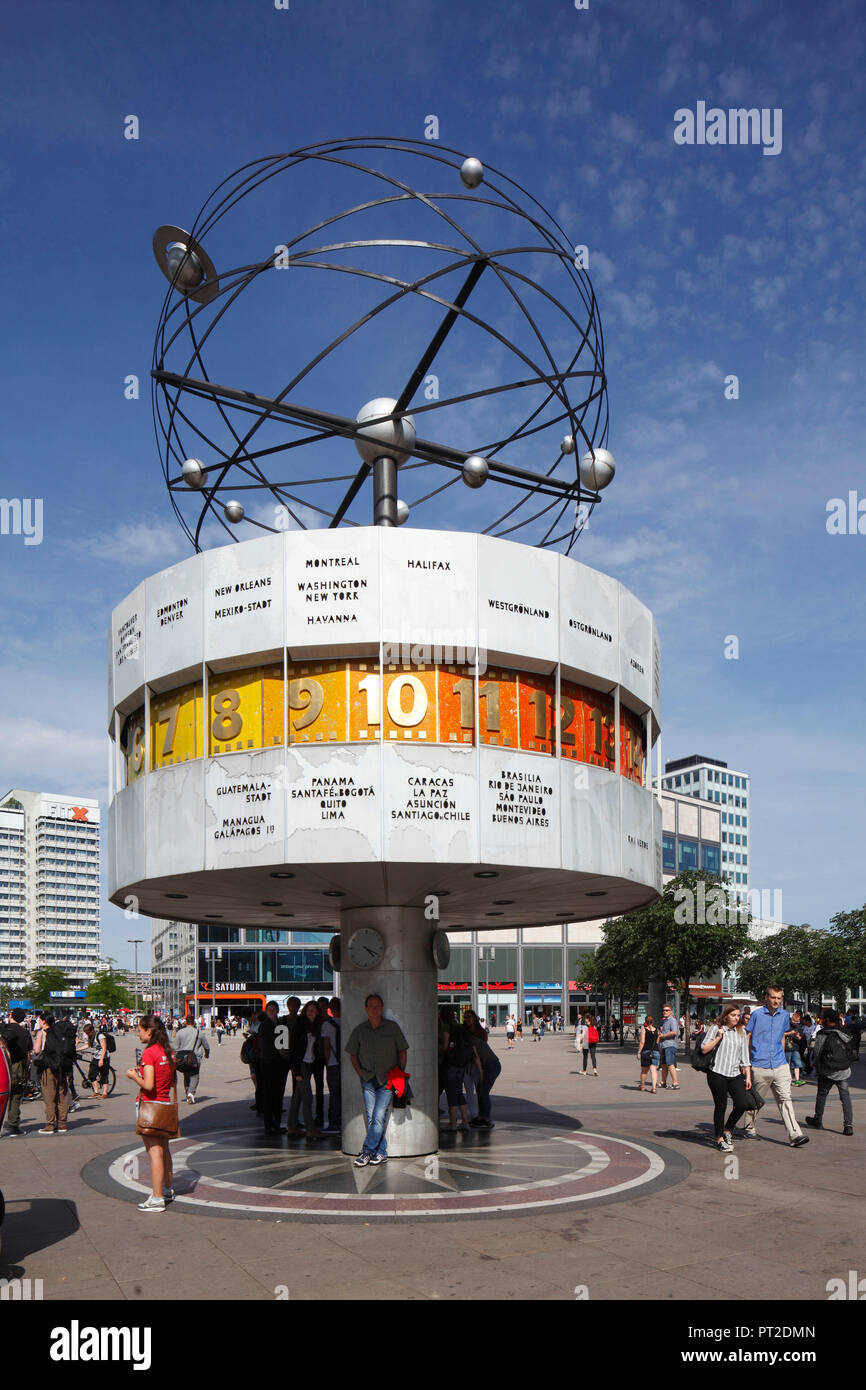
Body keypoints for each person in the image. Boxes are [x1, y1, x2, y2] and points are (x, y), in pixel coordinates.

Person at [346, 994, 409, 1166]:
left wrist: (399, 1073)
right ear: (366, 1009)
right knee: (372, 1116)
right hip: (367, 1079)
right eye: (371, 1006)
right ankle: (381, 1152)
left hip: (388, 1080)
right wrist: (360, 1072)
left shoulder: (392, 1027)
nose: (375, 1009)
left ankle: (367, 1151)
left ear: (382, 1008)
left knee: (379, 1116)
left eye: (378, 1006)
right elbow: (352, 1054)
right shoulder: (360, 1030)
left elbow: (402, 1050)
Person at [743, 987, 808, 1147]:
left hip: (780, 1064)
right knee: (756, 1101)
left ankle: (795, 1134)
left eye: (779, 998)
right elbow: (748, 1037)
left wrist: (784, 1058)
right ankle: (749, 1126)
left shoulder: (785, 1015)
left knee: (786, 1099)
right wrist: (747, 1062)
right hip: (760, 1064)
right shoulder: (757, 1015)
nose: (776, 1001)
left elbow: (782, 1038)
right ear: (766, 997)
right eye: (773, 997)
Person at [126, 1014, 177, 1212]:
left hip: (150, 1107)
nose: (137, 1033)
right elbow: (171, 1081)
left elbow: (148, 1085)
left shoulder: (150, 1053)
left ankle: (157, 1198)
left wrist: (133, 1076)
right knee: (164, 1150)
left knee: (154, 1152)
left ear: (149, 1031)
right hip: (165, 1103)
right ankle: (167, 1188)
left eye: (139, 1030)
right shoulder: (168, 1051)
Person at [700, 1004, 752, 1152]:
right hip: (717, 1073)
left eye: (738, 1015)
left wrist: (748, 1076)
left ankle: (728, 1130)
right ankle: (719, 1139)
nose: (736, 1018)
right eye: (733, 1015)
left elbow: (745, 1056)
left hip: (735, 1074)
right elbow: (704, 1049)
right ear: (726, 1016)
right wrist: (718, 1037)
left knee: (742, 1104)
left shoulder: (741, 1032)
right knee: (721, 1106)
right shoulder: (716, 1028)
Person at [805, 1010, 854, 1136]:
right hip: (843, 1070)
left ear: (827, 1019)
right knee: (845, 1098)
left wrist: (815, 1065)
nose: (821, 1020)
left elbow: (817, 1051)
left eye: (823, 1018)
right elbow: (851, 1051)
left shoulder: (823, 1033)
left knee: (822, 1095)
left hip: (827, 1070)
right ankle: (848, 1126)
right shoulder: (844, 1033)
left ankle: (818, 1120)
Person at [286, 1001, 325, 1139]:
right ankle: (310, 1129)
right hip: (301, 1064)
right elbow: (294, 1049)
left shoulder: (315, 1026)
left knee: (298, 1096)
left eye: (314, 1010)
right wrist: (296, 1071)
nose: (311, 1013)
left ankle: (291, 1126)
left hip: (309, 1063)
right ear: (305, 1011)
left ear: (318, 1012)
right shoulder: (300, 1025)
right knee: (307, 1097)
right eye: (309, 1010)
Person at [438, 1005, 479, 1131]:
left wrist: (436, 1047)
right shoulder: (459, 1026)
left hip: (450, 1064)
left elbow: (445, 1047)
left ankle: (452, 1123)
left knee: (451, 1093)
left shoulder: (446, 1027)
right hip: (461, 1064)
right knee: (458, 1091)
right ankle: (465, 1121)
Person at [36, 1014, 76, 1134]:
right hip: (63, 1067)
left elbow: (37, 1050)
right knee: (62, 1096)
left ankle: (50, 1125)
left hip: (49, 1067)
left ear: (43, 1021)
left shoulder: (45, 1033)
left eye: (39, 1020)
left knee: (49, 1097)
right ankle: (62, 1124)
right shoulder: (61, 1032)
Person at [464, 1008, 501, 1128]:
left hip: (491, 1065)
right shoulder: (471, 1037)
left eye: (469, 1017)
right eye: (466, 1017)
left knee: (483, 1092)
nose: (467, 1019)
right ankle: (481, 1117)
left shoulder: (471, 1040)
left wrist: (481, 1074)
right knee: (481, 1091)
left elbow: (477, 1058)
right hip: (490, 1064)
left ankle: (487, 1119)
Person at [0, 1007, 32, 1136]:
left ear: (12, 1016)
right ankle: (13, 1125)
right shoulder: (25, 1032)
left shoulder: (8, 1030)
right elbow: (29, 1052)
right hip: (21, 1066)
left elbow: (3, 1042)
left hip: (8, 1066)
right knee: (16, 1097)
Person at [173, 1014, 209, 1103]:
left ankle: (187, 1093)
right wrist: (207, 1054)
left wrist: (175, 1057)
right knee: (195, 1075)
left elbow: (176, 1047)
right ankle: (191, 1093)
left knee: (186, 1075)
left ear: (185, 1022)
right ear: (194, 1022)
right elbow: (206, 1046)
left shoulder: (180, 1032)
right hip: (195, 1058)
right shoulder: (199, 1032)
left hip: (182, 1058)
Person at [320, 997, 342, 1132]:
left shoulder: (326, 1025)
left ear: (331, 1009)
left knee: (334, 1094)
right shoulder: (349, 1021)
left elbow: (326, 1047)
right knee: (344, 1093)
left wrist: (327, 1062)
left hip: (333, 1063)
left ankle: (334, 1122)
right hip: (347, 1064)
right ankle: (344, 1120)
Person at [658, 1005, 680, 1090]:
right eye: (664, 1010)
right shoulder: (664, 1021)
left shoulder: (672, 1020)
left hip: (670, 1045)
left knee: (670, 1064)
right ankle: (663, 1082)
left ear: (671, 1011)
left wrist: (663, 1035)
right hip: (663, 1045)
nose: (665, 1011)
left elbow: (674, 1032)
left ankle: (675, 1083)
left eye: (667, 1010)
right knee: (663, 1065)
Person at [637, 1016, 660, 1093]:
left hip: (646, 1052)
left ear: (645, 1022)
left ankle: (642, 1086)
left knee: (644, 1071)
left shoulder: (644, 1030)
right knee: (653, 1070)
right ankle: (654, 1088)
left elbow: (642, 1042)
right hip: (655, 1051)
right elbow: (657, 1042)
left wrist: (639, 1052)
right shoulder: (657, 1030)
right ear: (652, 1021)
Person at [786, 1011, 806, 1086]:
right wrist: (789, 1033)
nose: (795, 1023)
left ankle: (797, 1079)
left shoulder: (798, 1027)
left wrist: (798, 1037)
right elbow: (782, 1034)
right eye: (794, 1022)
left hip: (795, 1048)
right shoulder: (786, 1026)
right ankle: (789, 1079)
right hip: (787, 1048)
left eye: (797, 1022)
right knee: (787, 1064)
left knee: (797, 1064)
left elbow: (801, 1037)